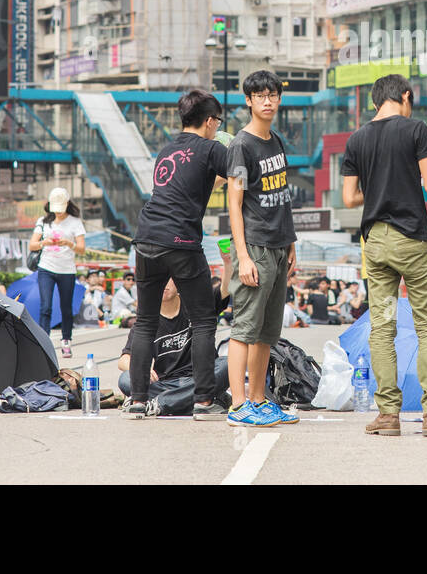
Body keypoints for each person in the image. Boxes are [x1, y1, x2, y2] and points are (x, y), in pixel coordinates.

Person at [342, 73, 427, 437]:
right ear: (405, 97)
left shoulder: (356, 138)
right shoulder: (416, 130)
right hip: (412, 239)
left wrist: (377, 188)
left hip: (375, 244)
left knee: (382, 327)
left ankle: (387, 415)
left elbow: (349, 198)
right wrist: (410, 177)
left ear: (376, 101)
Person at [125, 89, 231, 421]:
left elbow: (191, 186)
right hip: (181, 242)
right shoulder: (212, 148)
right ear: (211, 121)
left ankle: (138, 401)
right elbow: (241, 178)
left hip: (145, 240)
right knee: (203, 320)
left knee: (145, 322)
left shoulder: (166, 151)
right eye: (218, 123)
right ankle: (202, 401)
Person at [225, 69, 300, 427]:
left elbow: (283, 197)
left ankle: (259, 399)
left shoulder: (277, 141)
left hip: (278, 246)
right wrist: (241, 256)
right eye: (260, 96)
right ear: (249, 101)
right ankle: (239, 405)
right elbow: (234, 202)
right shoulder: (241, 145)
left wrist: (291, 242)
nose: (268, 101)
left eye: (273, 95)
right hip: (254, 245)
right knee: (245, 328)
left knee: (268, 332)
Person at [118, 278, 232, 415]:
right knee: (125, 379)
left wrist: (227, 261)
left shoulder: (196, 304)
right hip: (165, 383)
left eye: (168, 279)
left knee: (228, 364)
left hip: (200, 378)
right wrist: (141, 368)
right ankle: (194, 401)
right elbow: (124, 359)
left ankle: (163, 403)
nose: (163, 284)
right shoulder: (145, 321)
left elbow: (224, 290)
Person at [29, 187, 86, 357]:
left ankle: (66, 340)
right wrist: (44, 242)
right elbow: (32, 244)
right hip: (46, 267)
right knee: (45, 306)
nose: (59, 213)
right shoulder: (43, 221)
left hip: (67, 270)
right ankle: (44, 342)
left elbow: (82, 249)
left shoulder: (75, 222)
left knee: (66, 307)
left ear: (67, 204)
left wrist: (69, 244)